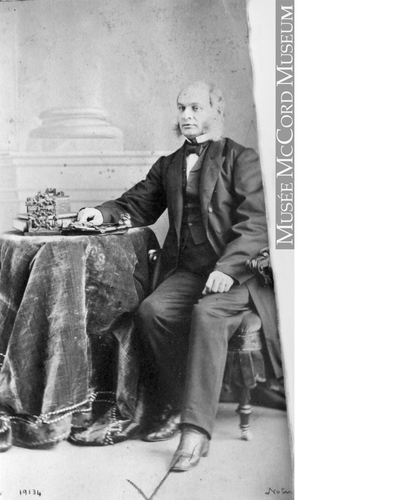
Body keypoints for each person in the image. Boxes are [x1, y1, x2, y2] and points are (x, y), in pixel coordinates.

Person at [77, 81, 270, 472]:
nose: (186, 116)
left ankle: (195, 431)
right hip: (189, 272)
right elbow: (136, 203)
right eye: (182, 108)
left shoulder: (242, 159)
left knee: (207, 314)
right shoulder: (169, 164)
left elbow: (257, 223)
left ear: (217, 109)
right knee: (151, 312)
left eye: (196, 108)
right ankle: (176, 399)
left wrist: (227, 269)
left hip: (236, 274)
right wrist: (101, 213)